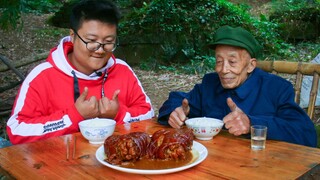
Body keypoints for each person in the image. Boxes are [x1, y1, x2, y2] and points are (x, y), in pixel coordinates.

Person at [7, 0, 154, 145]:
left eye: (109, 41)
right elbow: (17, 130)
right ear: (73, 36)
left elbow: (148, 114)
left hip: (115, 161)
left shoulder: (122, 70)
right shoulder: (43, 76)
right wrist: (73, 116)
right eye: (91, 40)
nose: (100, 49)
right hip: (57, 164)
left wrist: (119, 114)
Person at [158, 25, 317, 147]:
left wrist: (252, 124)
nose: (224, 69)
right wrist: (175, 111)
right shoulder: (210, 84)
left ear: (250, 65)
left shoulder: (276, 89)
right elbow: (178, 100)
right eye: (219, 61)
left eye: (232, 62)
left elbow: (306, 133)